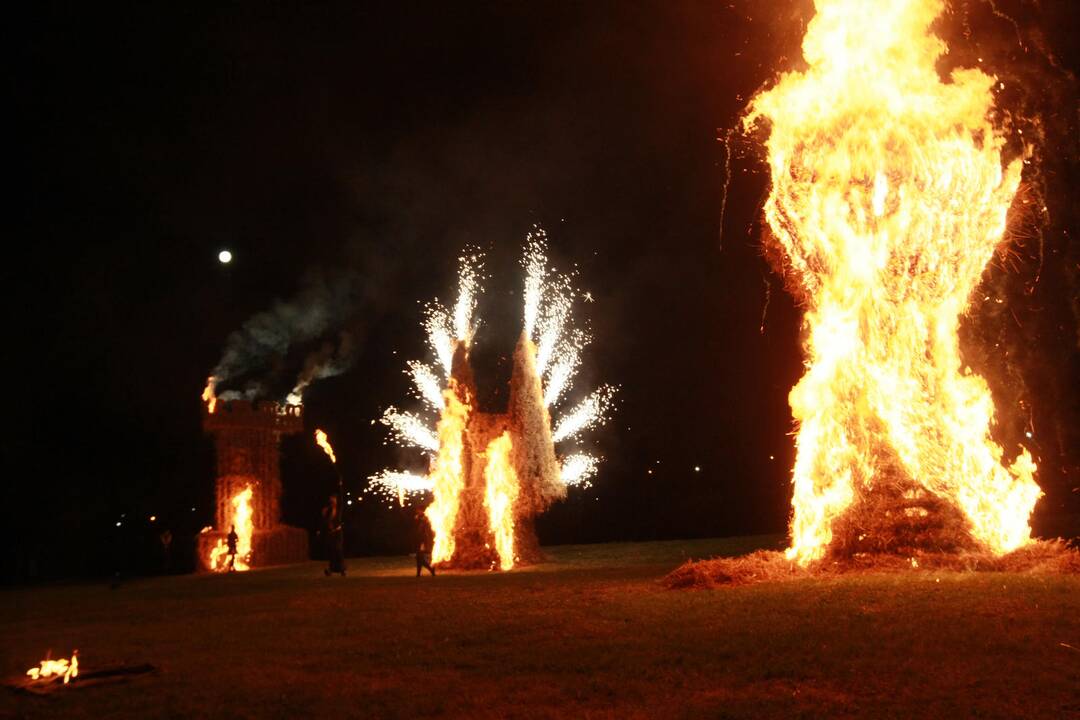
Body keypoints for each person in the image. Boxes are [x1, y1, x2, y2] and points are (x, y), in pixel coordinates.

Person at [323, 495, 346, 576]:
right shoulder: (328, 510)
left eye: (334, 500)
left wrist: (340, 485)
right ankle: (331, 570)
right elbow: (326, 521)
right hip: (331, 533)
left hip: (338, 533)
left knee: (338, 550)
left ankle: (342, 569)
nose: (332, 502)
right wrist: (324, 515)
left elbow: (342, 500)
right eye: (331, 500)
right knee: (332, 551)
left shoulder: (339, 509)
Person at [414, 507, 435, 577]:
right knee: (419, 558)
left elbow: (424, 529)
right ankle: (419, 574)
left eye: (419, 510)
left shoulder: (425, 518)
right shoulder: (419, 519)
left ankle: (431, 569)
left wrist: (420, 519)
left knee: (420, 558)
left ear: (422, 511)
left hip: (422, 541)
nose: (417, 511)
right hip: (419, 540)